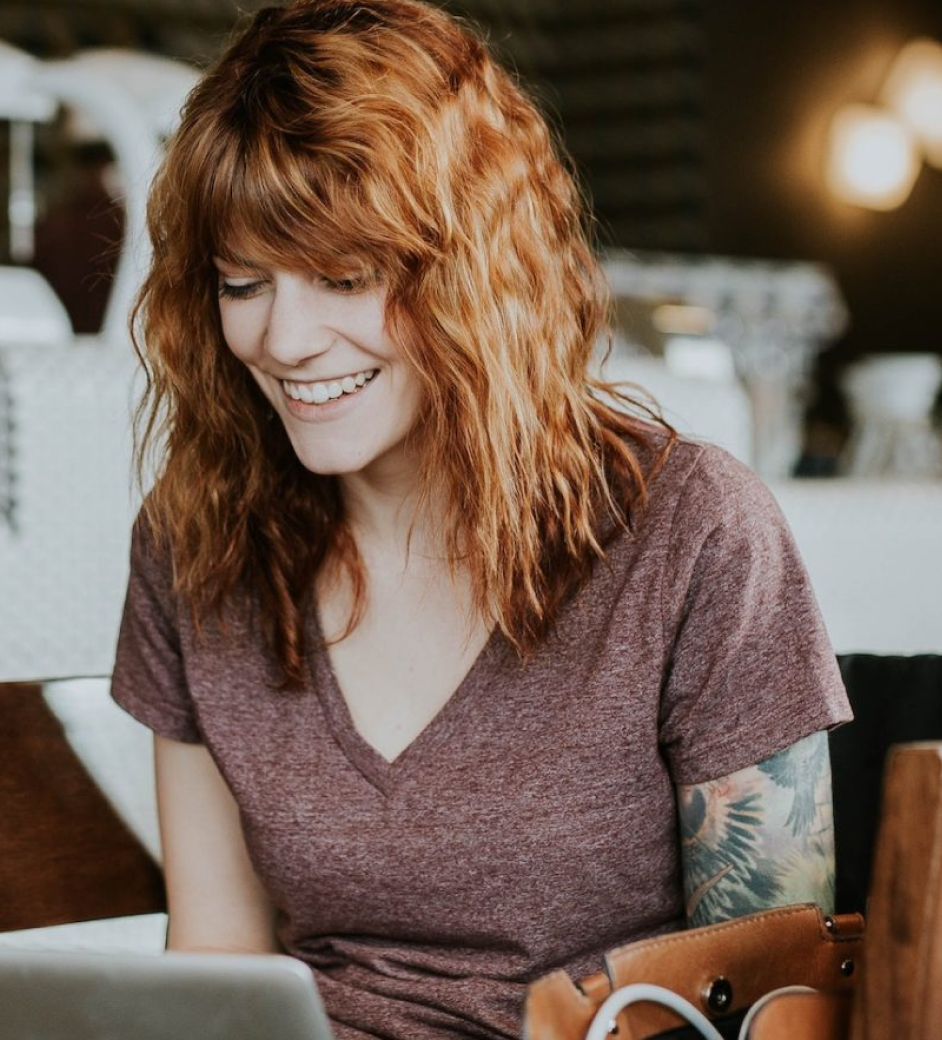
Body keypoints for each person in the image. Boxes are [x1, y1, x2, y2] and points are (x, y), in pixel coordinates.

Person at [108, 2, 852, 1039]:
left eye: (343, 277)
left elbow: (778, 1000)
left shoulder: (691, 531)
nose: (283, 337)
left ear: (471, 271)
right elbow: (216, 969)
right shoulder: (195, 543)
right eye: (242, 281)